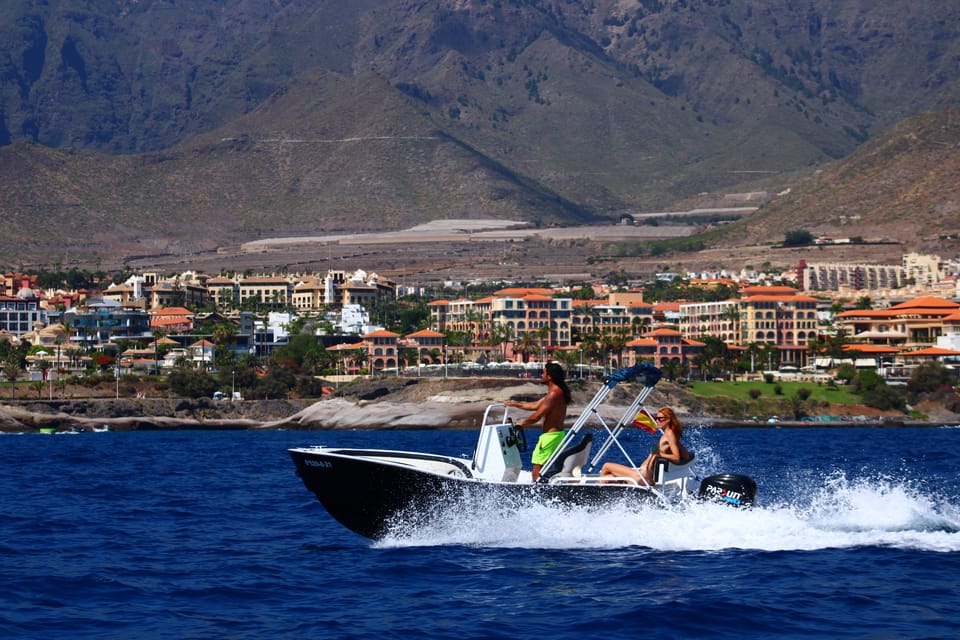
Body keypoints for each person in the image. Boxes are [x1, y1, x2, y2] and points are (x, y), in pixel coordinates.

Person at [504, 362, 571, 481]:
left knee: (537, 468)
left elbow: (537, 416)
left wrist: (522, 423)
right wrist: (513, 404)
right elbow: (535, 405)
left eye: (543, 373)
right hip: (557, 435)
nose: (541, 375)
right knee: (549, 467)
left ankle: (537, 494)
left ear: (550, 376)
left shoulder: (554, 394)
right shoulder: (557, 392)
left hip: (550, 437)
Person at [599, 407, 690, 486]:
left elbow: (676, 458)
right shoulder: (670, 435)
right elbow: (686, 456)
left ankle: (597, 497)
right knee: (608, 477)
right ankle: (609, 497)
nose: (657, 421)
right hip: (642, 475)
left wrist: (660, 455)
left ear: (669, 419)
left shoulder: (669, 435)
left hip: (641, 476)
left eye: (660, 419)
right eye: (656, 418)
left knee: (606, 466)